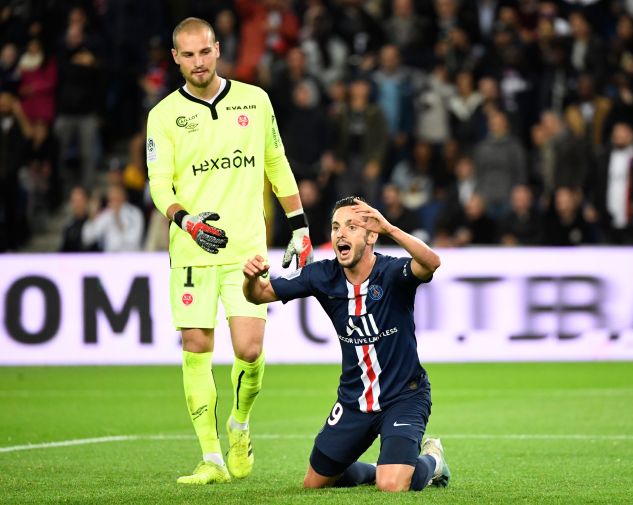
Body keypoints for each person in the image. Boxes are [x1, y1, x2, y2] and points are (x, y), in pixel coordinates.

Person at [145, 17, 313, 485]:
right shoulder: (162, 116)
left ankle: (239, 423)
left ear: (217, 49)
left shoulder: (255, 101)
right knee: (196, 345)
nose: (198, 62)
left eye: (205, 52)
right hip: (192, 248)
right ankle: (211, 456)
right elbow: (159, 184)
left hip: (246, 249)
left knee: (250, 348)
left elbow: (276, 161)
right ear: (176, 58)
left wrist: (299, 225)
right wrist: (186, 220)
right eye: (188, 55)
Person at [242, 197, 451, 492]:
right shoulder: (322, 276)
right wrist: (250, 279)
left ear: (371, 236)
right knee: (315, 483)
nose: (341, 233)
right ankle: (382, 468)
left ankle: (432, 460)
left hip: (404, 397)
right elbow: (259, 294)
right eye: (336, 227)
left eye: (352, 227)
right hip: (354, 401)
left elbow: (432, 262)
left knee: (392, 485)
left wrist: (390, 228)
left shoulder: (392, 274)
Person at [81, 183, 144, 252]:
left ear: (123, 197)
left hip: (131, 257)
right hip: (111, 259)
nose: (113, 202)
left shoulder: (134, 213)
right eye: (111, 199)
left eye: (116, 198)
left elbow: (134, 240)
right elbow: (88, 238)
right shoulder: (106, 214)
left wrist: (117, 219)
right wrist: (92, 216)